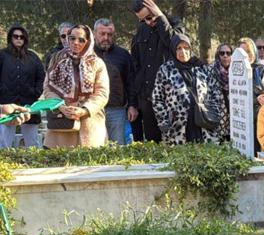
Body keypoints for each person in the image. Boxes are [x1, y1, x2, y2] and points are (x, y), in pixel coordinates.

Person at [43, 24, 109, 148]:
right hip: (61, 126)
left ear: (88, 41)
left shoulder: (97, 63)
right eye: (72, 38)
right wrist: (60, 106)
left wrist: (84, 110)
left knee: (90, 165)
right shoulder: (56, 59)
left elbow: (102, 93)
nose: (75, 43)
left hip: (90, 126)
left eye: (81, 40)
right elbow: (48, 88)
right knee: (58, 165)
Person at [152, 34, 222, 145]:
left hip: (203, 123)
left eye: (186, 48)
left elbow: (216, 94)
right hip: (177, 126)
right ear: (173, 50)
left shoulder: (202, 68)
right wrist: (164, 121)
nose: (183, 51)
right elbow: (157, 99)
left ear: (190, 49)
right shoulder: (165, 70)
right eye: (178, 48)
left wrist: (214, 115)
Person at [130, 0, 183, 142]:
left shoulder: (173, 24)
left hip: (170, 100)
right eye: (142, 20)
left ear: (156, 9)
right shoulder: (141, 30)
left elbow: (175, 44)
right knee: (153, 144)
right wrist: (136, 100)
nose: (147, 22)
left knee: (173, 143)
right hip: (147, 99)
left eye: (149, 17)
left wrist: (160, 18)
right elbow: (136, 65)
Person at [0, 25, 45, 148]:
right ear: (11, 38)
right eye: (16, 36)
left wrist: (36, 92)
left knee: (32, 144)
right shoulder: (2, 55)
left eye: (22, 37)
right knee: (4, 144)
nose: (19, 39)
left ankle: (33, 165)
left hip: (29, 103)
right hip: (7, 104)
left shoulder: (33, 57)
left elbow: (41, 77)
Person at [93, 18, 135, 146]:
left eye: (109, 34)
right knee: (94, 148)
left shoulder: (123, 55)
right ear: (94, 34)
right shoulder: (87, 54)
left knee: (118, 148)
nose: (106, 37)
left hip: (117, 110)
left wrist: (132, 105)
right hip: (93, 110)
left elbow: (131, 82)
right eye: (102, 34)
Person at [208, 43, 232, 141]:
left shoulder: (237, 71)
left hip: (233, 115)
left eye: (228, 53)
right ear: (218, 55)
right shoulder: (210, 70)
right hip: (217, 116)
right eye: (222, 53)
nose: (225, 56)